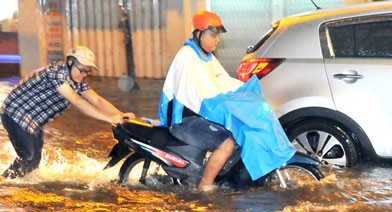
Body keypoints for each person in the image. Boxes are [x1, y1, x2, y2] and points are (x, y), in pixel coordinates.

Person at [159, 11, 296, 192]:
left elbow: (224, 84)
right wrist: (223, 105)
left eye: (218, 36)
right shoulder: (187, 56)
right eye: (213, 35)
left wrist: (247, 92)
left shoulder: (208, 58)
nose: (217, 40)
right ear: (199, 34)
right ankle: (204, 187)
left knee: (244, 131)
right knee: (227, 143)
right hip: (185, 120)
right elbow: (192, 96)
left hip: (202, 115)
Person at [0, 45, 135, 179]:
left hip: (33, 119)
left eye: (87, 72)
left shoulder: (77, 79)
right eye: (82, 70)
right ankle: (5, 184)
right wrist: (110, 119)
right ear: (70, 62)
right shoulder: (57, 73)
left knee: (34, 160)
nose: (84, 75)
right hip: (15, 113)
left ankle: (12, 180)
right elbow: (77, 101)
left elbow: (97, 100)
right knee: (29, 158)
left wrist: (121, 115)